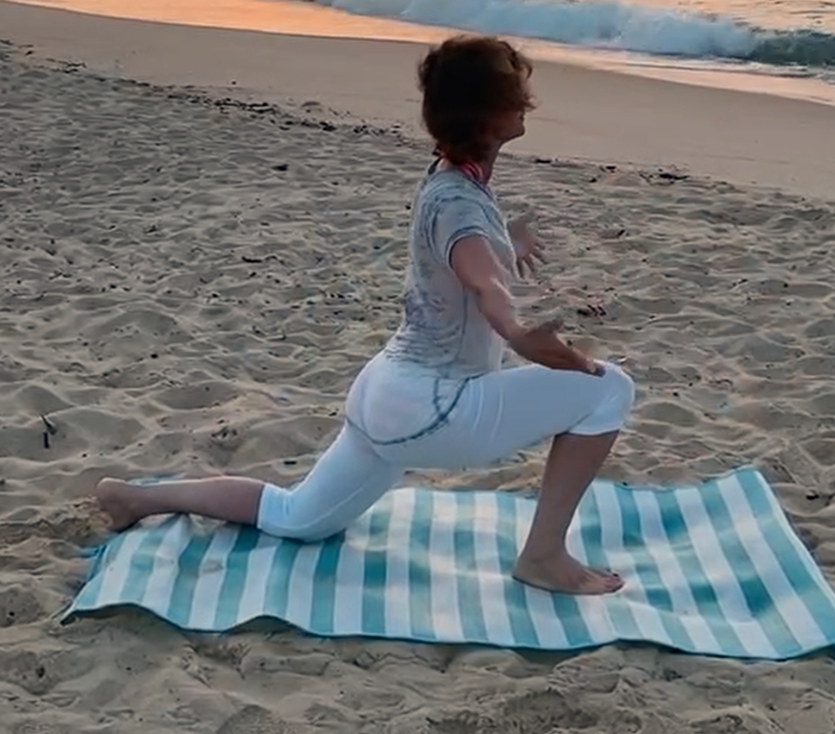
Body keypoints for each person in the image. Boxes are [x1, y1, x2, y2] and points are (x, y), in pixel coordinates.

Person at [93, 34, 637, 595]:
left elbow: (462, 256)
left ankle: (139, 498)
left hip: (384, 394)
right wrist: (520, 335)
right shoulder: (463, 206)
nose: (528, 98)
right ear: (495, 112)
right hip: (436, 408)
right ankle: (543, 555)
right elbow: (482, 280)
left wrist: (508, 242)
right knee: (609, 389)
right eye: (518, 90)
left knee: (297, 517)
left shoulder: (448, 178)